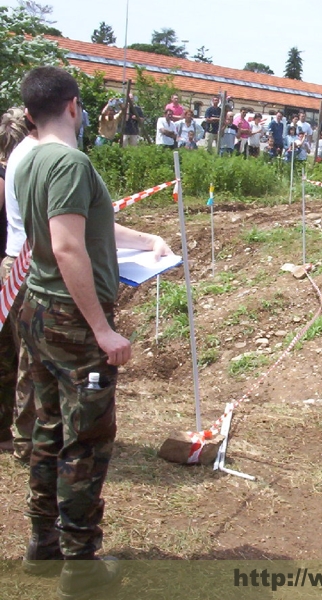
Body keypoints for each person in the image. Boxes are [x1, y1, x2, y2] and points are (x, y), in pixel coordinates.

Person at [15, 66, 174, 595]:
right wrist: (103, 330)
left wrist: (144, 236)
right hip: (72, 322)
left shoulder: (28, 160)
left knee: (48, 429)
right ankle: (80, 564)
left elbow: (86, 223)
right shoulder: (70, 162)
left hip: (39, 311)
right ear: (75, 107)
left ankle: (43, 543)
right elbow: (66, 246)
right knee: (85, 441)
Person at [3, 114, 38, 463]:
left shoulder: (20, 156)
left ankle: (20, 435)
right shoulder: (31, 156)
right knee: (29, 356)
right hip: (24, 263)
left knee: (17, 355)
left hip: (14, 259)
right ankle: (27, 441)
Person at [0, 107, 28, 454]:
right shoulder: (14, 179)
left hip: (8, 266)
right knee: (21, 355)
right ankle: (23, 433)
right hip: (15, 268)